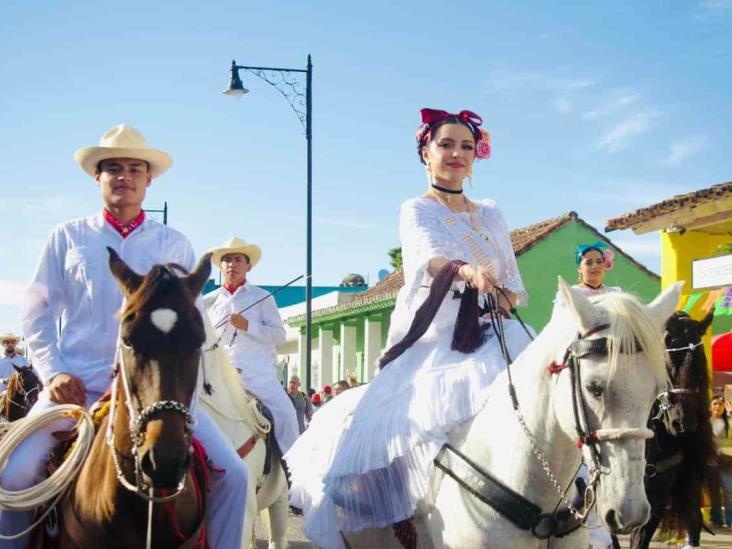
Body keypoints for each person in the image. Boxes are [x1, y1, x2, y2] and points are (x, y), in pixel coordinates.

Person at [285, 108, 534, 547]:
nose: (457, 154)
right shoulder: (417, 208)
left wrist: (500, 295)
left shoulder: (492, 214)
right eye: (446, 145)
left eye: (466, 147)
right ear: (425, 152)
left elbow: (512, 284)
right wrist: (465, 272)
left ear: (477, 158)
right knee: (400, 421)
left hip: (495, 331)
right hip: (435, 335)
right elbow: (428, 257)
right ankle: (404, 520)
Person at [1, 124, 248, 548]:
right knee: (14, 475)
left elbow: (195, 330)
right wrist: (54, 372)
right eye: (113, 168)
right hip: (77, 388)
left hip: (158, 393)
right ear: (97, 177)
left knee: (236, 476)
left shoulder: (175, 244)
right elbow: (37, 315)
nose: (124, 176)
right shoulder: (68, 238)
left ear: (148, 179)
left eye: (135, 169)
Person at [204, 237, 299, 454]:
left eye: (238, 259)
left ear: (248, 266)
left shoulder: (262, 297)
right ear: (221, 266)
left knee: (286, 414)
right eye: (227, 260)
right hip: (217, 374)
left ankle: (292, 471)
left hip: (258, 376)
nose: (232, 264)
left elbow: (279, 336)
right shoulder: (208, 301)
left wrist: (248, 326)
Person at [710, 395, 732, 526]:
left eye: (720, 404)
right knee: (714, 493)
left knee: (729, 492)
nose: (717, 406)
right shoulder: (705, 423)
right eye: (715, 404)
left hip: (728, 462)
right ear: (710, 407)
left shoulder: (729, 422)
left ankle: (730, 520)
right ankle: (716, 520)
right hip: (710, 463)